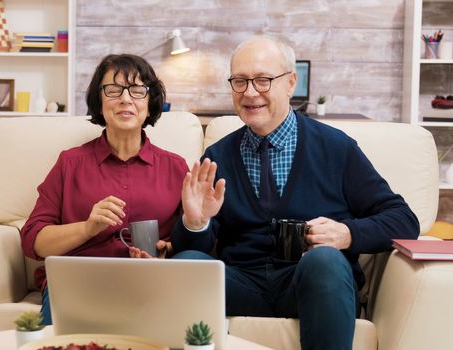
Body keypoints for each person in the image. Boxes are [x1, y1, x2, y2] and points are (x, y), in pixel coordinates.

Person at [170, 36, 420, 349]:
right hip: (244, 285)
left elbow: (404, 220)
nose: (250, 92)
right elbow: (191, 248)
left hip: (313, 284)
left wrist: (348, 233)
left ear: (290, 82)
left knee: (325, 261)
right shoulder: (218, 156)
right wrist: (196, 222)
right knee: (188, 265)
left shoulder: (335, 148)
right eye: (240, 81)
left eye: (262, 80)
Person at [20, 54, 188, 325]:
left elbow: (192, 243)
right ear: (99, 100)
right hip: (78, 280)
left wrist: (167, 249)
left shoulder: (175, 168)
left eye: (137, 90)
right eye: (114, 90)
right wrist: (87, 227)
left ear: (149, 101)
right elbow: (32, 241)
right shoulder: (70, 163)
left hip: (151, 282)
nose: (125, 99)